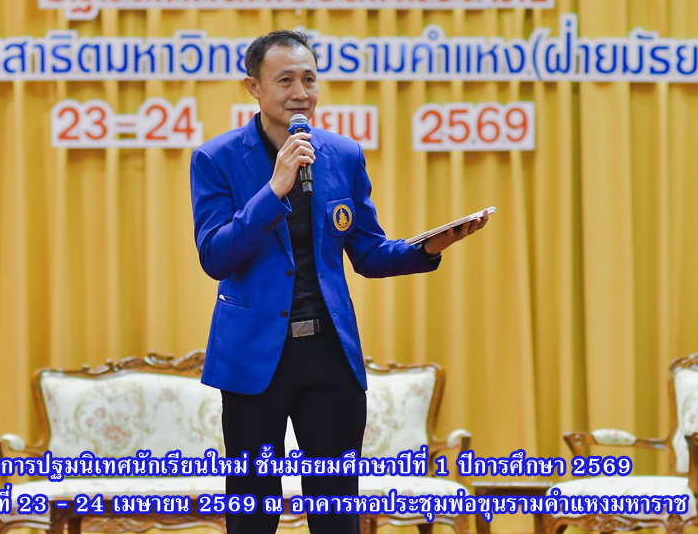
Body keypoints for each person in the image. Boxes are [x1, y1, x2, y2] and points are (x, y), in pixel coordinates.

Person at [189, 30, 487, 534]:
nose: (300, 92)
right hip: (253, 354)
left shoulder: (342, 156)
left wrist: (428, 247)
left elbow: (368, 253)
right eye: (285, 80)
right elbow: (215, 256)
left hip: (329, 353)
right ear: (253, 87)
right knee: (252, 510)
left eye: (309, 79)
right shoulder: (216, 159)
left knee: (336, 509)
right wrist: (274, 189)